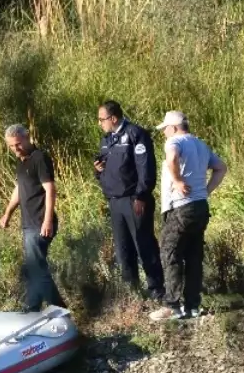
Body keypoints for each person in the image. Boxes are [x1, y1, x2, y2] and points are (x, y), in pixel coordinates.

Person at [149, 110, 228, 322]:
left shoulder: (175, 142)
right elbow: (221, 167)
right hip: (200, 206)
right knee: (193, 256)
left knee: (170, 253)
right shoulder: (201, 145)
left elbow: (172, 157)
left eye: (165, 128)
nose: (164, 132)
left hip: (181, 207)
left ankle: (172, 306)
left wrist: (177, 180)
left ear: (174, 127)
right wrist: (206, 189)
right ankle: (192, 305)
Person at [94, 101, 165, 300]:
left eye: (102, 119)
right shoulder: (107, 140)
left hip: (134, 199)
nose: (100, 123)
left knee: (144, 244)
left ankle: (156, 289)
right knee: (123, 248)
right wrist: (97, 171)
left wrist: (141, 195)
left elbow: (146, 169)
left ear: (113, 118)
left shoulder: (136, 134)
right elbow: (102, 167)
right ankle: (132, 292)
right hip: (114, 201)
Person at [0, 124, 67, 312]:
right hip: (28, 223)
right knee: (35, 268)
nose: (15, 149)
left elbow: (50, 189)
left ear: (27, 137)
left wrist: (47, 221)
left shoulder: (40, 158)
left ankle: (54, 309)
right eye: (11, 146)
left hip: (40, 222)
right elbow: (19, 189)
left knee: (36, 268)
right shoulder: (21, 161)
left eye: (18, 144)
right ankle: (37, 307)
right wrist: (7, 213)